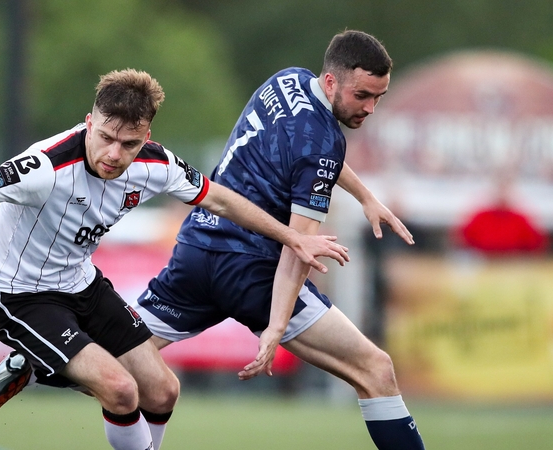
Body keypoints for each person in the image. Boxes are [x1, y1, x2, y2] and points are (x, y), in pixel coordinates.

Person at [0, 69, 350, 450]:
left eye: (128, 144)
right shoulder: (44, 167)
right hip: (13, 294)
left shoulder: (156, 163)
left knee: (164, 389)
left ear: (146, 136)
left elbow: (223, 200)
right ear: (89, 121)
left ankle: (29, 365)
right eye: (106, 137)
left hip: (80, 284)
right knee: (120, 389)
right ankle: (33, 360)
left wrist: (293, 238)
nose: (114, 154)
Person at [128, 30, 426, 450]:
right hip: (253, 274)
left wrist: (365, 197)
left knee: (116, 352)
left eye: (378, 97)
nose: (369, 108)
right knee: (375, 370)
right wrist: (275, 328)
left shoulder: (287, 80)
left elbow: (311, 152)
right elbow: (298, 246)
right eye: (362, 95)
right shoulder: (324, 145)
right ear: (331, 82)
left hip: (197, 251)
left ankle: (39, 357)